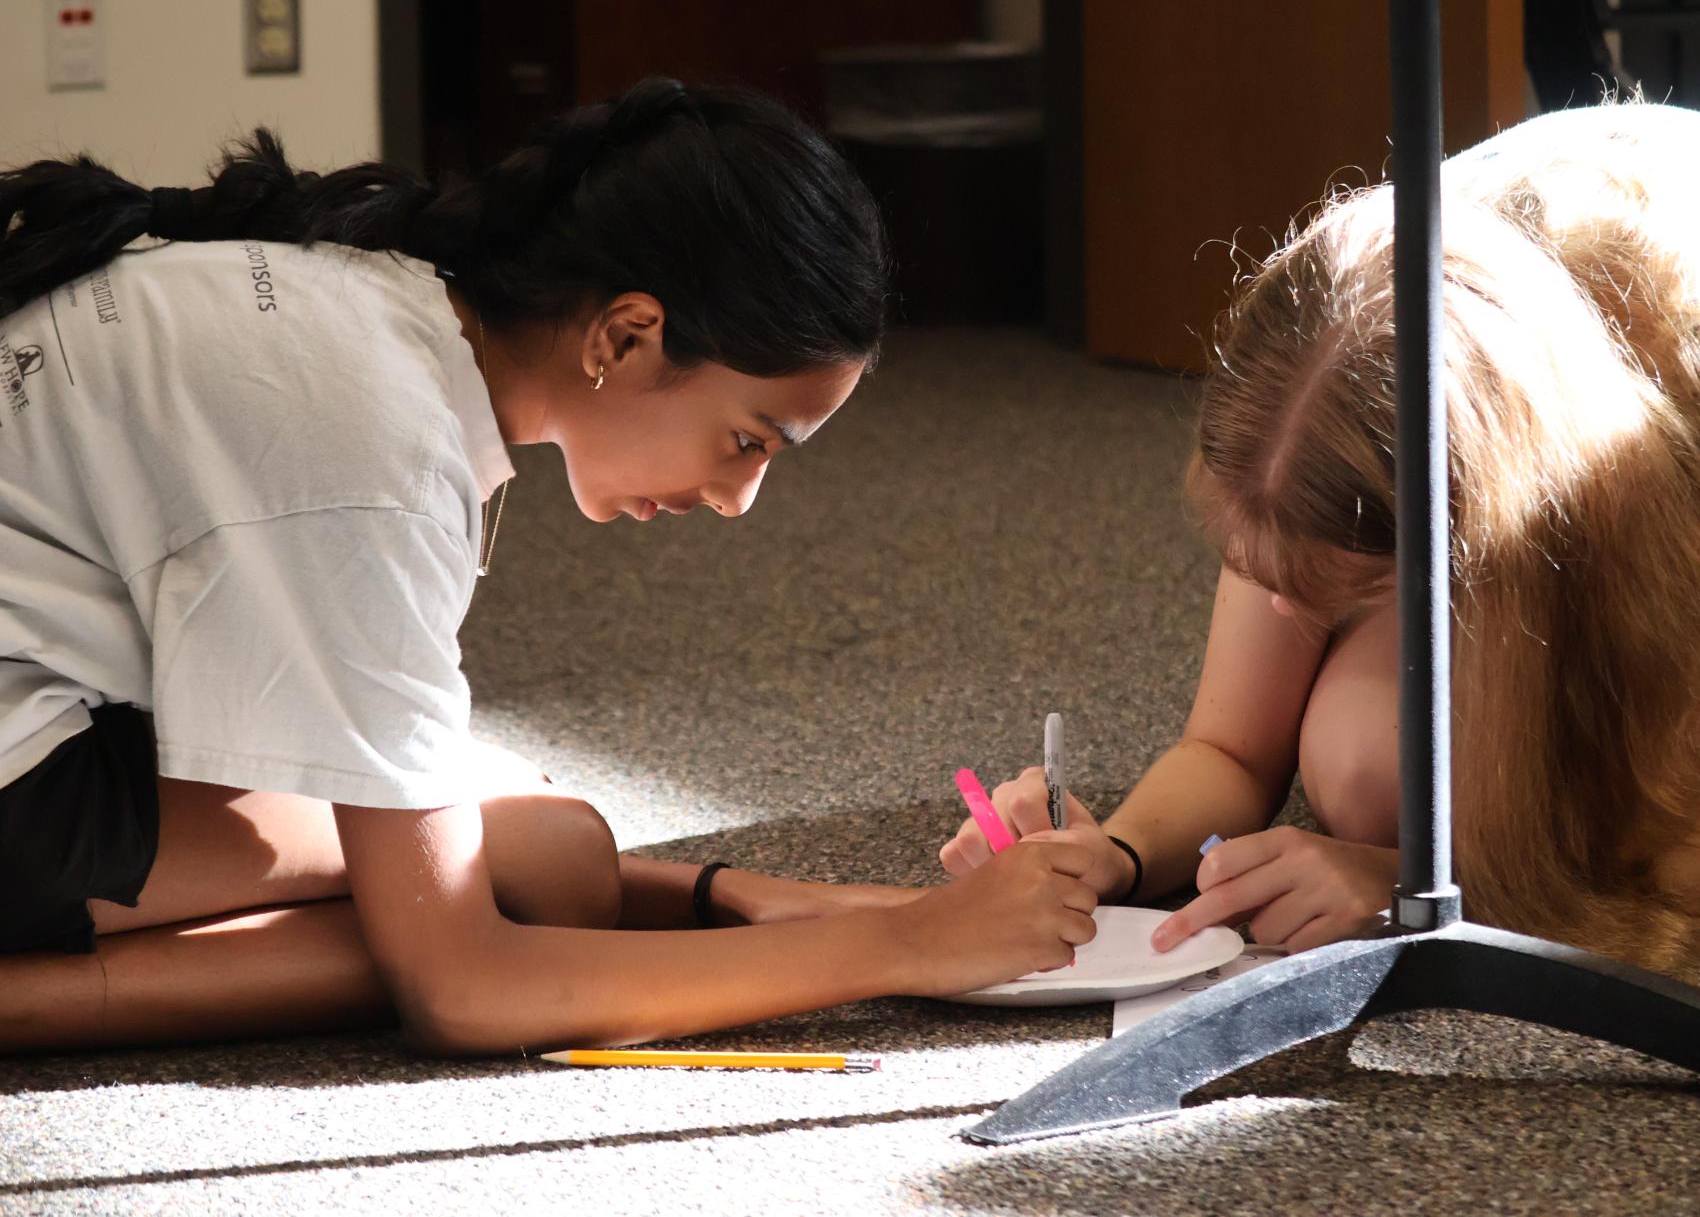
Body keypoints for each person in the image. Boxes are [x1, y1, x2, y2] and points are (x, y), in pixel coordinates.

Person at [0, 77, 1097, 1055]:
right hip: (23, 776)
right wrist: (907, 944)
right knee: (531, 873)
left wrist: (759, 896)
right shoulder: (375, 447)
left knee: (555, 850)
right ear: (625, 334)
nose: (737, 497)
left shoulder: (371, 299)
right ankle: (34, 1004)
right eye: (750, 439)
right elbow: (462, 987)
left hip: (47, 720)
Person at [940, 102, 1700, 975]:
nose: (1278, 615)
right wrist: (1114, 850)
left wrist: (1419, 883)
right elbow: (1230, 745)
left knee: (1633, 765)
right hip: (1537, 466)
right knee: (1367, 765)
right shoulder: (1322, 367)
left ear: (1475, 520)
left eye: (1328, 585)